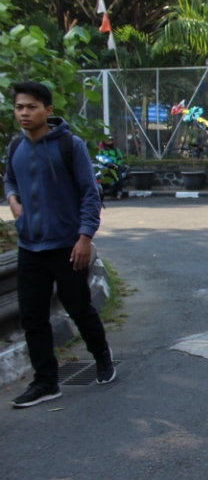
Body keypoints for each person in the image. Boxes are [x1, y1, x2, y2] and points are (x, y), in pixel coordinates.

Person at [4, 81, 115, 408]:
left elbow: (89, 193)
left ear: (47, 111)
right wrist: (12, 200)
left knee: (79, 307)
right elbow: (9, 177)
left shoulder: (70, 145)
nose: (24, 113)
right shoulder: (15, 147)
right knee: (32, 316)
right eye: (20, 107)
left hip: (67, 246)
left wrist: (84, 237)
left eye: (32, 107)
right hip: (30, 247)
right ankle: (46, 382)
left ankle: (101, 355)